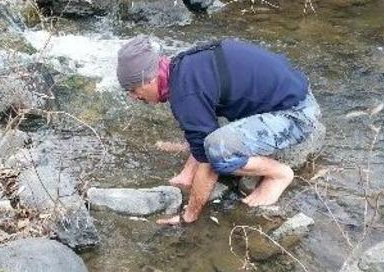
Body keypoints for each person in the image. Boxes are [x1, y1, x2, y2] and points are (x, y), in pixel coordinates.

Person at [116, 36, 322, 225]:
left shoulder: (185, 94)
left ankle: (278, 174)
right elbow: (199, 129)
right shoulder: (183, 66)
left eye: (134, 90)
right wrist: (187, 175)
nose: (134, 98)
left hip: (296, 116)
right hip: (293, 94)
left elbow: (207, 159)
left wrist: (188, 216)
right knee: (208, 138)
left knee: (217, 151)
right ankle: (195, 174)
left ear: (150, 79)